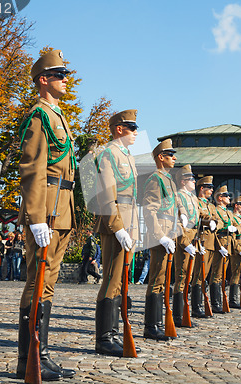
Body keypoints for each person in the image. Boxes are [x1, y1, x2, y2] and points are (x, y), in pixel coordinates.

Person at [16, 49, 76, 381]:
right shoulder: (39, 116)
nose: (66, 80)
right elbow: (33, 168)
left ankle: (42, 354)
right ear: (44, 80)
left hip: (62, 207)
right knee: (36, 283)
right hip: (48, 209)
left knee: (48, 284)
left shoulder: (58, 115)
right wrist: (36, 217)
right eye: (60, 75)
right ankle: (27, 360)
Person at [93, 109, 140, 355]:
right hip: (116, 222)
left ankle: (113, 333)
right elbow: (106, 193)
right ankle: (104, 338)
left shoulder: (128, 156)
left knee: (121, 281)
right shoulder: (108, 153)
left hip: (129, 219)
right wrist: (118, 226)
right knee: (111, 279)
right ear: (119, 129)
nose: (135, 132)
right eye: (132, 128)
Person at [142, 139, 185, 341]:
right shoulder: (155, 179)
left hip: (170, 232)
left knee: (165, 280)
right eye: (170, 155)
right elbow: (149, 210)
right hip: (161, 234)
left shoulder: (168, 180)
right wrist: (161, 236)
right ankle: (152, 326)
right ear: (161, 157)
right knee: (157, 280)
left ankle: (159, 322)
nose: (174, 158)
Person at [173, 164, 200, 326]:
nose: (194, 182)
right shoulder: (178, 196)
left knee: (188, 277)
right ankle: (177, 315)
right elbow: (178, 223)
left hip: (194, 237)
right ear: (183, 181)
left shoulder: (193, 198)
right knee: (181, 277)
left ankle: (184, 313)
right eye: (191, 179)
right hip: (184, 239)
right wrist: (184, 242)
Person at [190, 176, 217, 318]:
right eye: (209, 188)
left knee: (204, 275)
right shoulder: (196, 202)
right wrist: (208, 221)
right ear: (202, 189)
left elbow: (217, 219)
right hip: (201, 240)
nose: (212, 190)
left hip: (210, 242)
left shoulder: (209, 205)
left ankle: (199, 304)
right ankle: (196, 306)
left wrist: (214, 222)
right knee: (198, 275)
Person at [211, 185, 234, 313]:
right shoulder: (216, 210)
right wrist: (219, 246)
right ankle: (215, 303)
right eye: (226, 195)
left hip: (228, 244)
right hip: (220, 243)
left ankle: (219, 301)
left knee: (222, 274)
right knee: (217, 274)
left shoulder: (228, 212)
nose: (229, 197)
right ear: (220, 198)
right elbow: (215, 227)